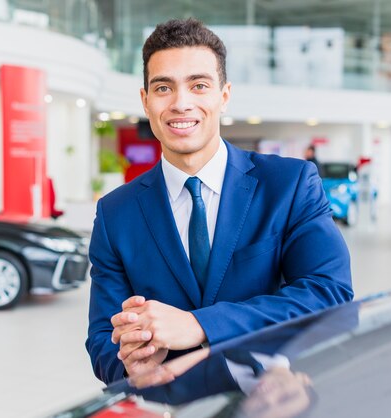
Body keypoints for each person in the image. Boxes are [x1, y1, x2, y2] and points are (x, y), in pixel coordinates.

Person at [85, 18, 353, 385]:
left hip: (270, 399)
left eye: (199, 85)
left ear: (223, 96)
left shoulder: (289, 184)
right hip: (168, 404)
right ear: (146, 102)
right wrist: (129, 364)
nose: (181, 103)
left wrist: (199, 325)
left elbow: (330, 295)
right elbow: (102, 341)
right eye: (164, 87)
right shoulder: (115, 212)